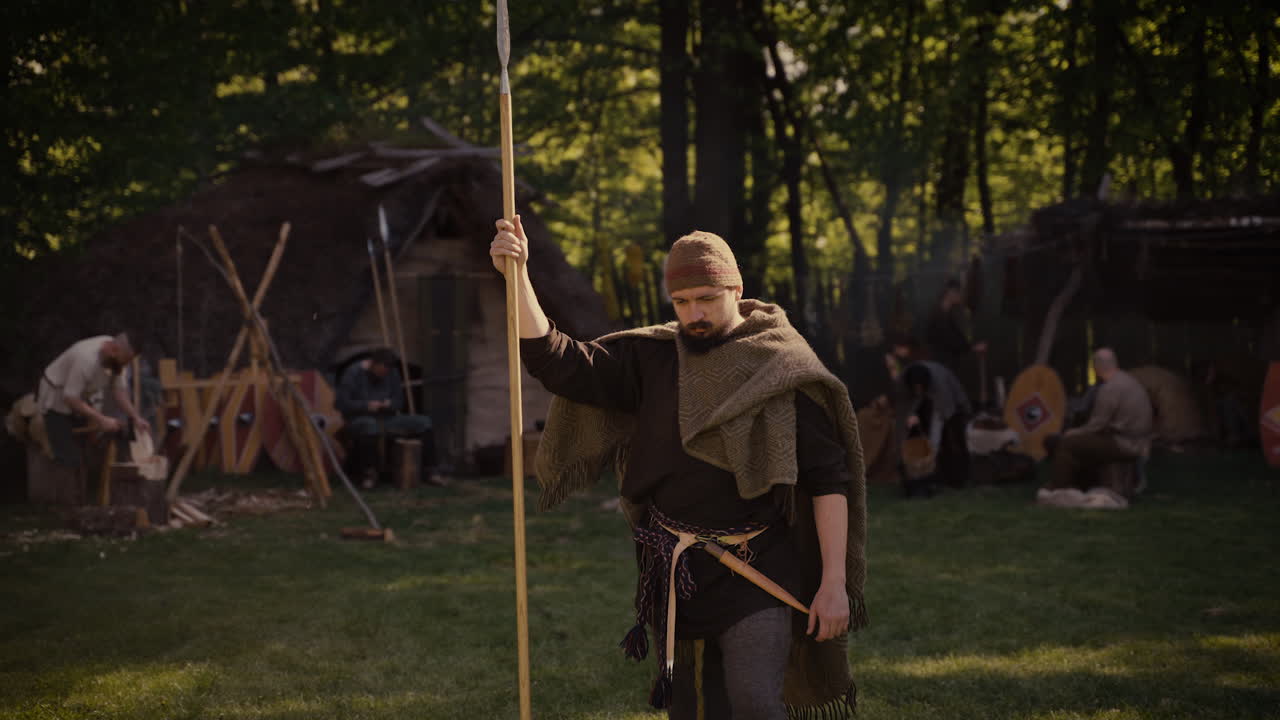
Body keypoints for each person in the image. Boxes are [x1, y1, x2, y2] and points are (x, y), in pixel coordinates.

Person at [491, 217, 868, 720]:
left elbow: (828, 481)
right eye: (683, 301)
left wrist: (834, 582)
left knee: (754, 702)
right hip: (674, 568)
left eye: (707, 298)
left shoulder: (782, 367)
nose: (695, 313)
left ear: (736, 288)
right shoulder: (653, 358)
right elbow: (559, 362)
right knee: (691, 710)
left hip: (758, 565)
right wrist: (517, 276)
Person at [1043, 348, 1152, 497]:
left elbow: (1097, 425)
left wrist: (1073, 433)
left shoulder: (1110, 389)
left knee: (1068, 443)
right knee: (1079, 443)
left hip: (1125, 444)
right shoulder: (1129, 381)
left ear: (1096, 367)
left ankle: (1057, 489)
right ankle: (1077, 485)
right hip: (1138, 442)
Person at [36, 332, 151, 468]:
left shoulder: (117, 357)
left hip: (79, 396)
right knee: (68, 458)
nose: (125, 365)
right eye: (125, 361)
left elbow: (118, 390)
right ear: (113, 350)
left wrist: (135, 417)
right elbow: (70, 397)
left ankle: (86, 482)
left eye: (128, 362)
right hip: (55, 398)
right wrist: (101, 419)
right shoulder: (86, 359)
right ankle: (63, 483)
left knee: (87, 448)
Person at [335, 348, 439, 489]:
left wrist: (388, 404)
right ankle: (369, 474)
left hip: (386, 418)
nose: (384, 374)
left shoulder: (392, 373)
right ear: (373, 364)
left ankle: (431, 471)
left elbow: (399, 402)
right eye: (381, 370)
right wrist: (366, 406)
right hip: (359, 418)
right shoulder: (353, 373)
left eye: (387, 371)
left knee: (423, 422)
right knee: (369, 425)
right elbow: (341, 403)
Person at [896, 360, 972, 495]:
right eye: (916, 387)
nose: (918, 390)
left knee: (943, 438)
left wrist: (932, 450)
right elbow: (904, 406)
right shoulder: (904, 380)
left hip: (948, 402)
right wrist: (911, 415)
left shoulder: (940, 383)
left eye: (920, 387)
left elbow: (944, 412)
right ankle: (914, 473)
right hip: (922, 402)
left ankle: (938, 472)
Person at [924, 279, 986, 398]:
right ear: (950, 292)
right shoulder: (938, 315)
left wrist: (971, 347)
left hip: (945, 367)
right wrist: (972, 348)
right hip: (941, 367)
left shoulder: (945, 314)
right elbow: (950, 341)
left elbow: (955, 339)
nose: (961, 296)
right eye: (959, 292)